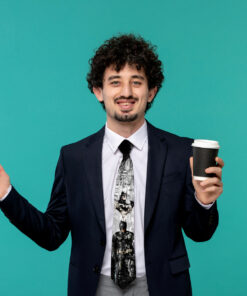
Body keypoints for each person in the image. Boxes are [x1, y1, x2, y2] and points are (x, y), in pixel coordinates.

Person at [0, 34, 224, 296]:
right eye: (115, 82)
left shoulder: (181, 152)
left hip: (162, 286)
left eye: (136, 82)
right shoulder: (73, 158)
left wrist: (204, 202)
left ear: (151, 91)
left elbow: (200, 233)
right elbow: (52, 234)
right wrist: (6, 194)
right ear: (98, 91)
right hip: (95, 287)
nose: (126, 92)